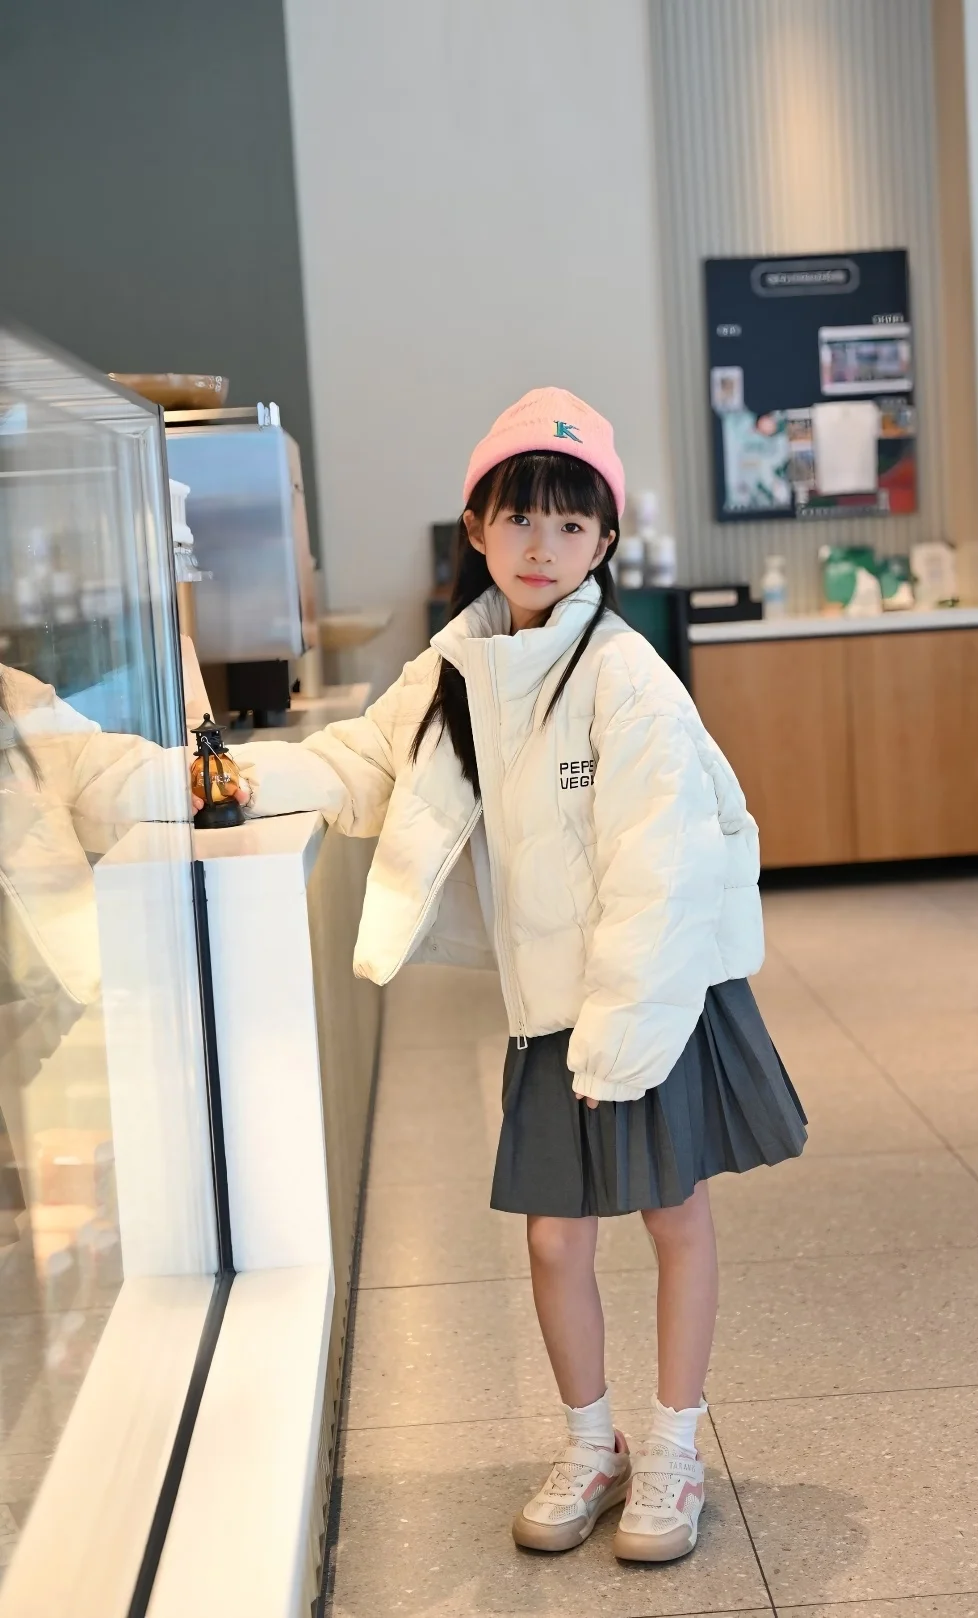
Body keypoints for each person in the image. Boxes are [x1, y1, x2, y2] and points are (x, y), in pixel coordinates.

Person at [235, 388, 807, 1563]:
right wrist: (235, 778)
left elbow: (661, 867)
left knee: (675, 1216)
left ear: (604, 541)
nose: (542, 545)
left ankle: (674, 1449)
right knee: (554, 1241)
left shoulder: (629, 675)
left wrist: (624, 1038)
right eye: (519, 518)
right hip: (552, 1007)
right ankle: (593, 1443)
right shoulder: (459, 665)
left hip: (653, 997)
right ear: (478, 529)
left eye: (570, 524)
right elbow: (362, 763)